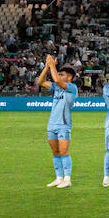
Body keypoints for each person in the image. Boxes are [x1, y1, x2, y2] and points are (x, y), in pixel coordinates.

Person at [37, 54, 77, 188]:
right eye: (59, 74)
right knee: (55, 152)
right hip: (52, 124)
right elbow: (40, 82)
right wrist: (47, 67)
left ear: (69, 76)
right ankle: (59, 178)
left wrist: (53, 66)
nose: (59, 76)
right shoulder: (57, 87)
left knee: (64, 151)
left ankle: (67, 179)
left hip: (63, 125)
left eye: (62, 74)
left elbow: (57, 81)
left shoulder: (72, 88)